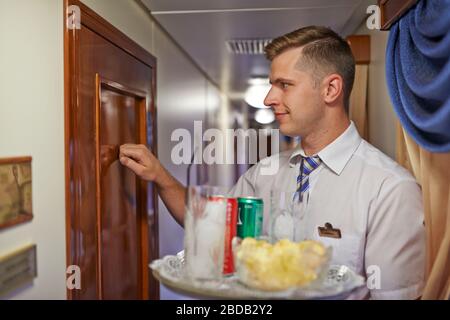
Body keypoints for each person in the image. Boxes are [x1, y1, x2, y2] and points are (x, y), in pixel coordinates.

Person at [119, 26, 425, 299]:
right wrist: (160, 176)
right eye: (271, 84)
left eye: (284, 84)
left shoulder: (389, 189)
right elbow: (209, 225)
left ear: (330, 89)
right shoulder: (263, 174)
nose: (269, 98)